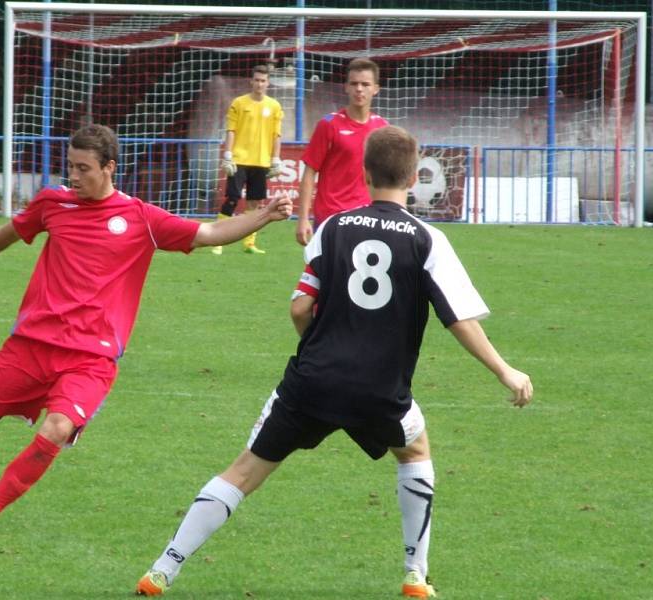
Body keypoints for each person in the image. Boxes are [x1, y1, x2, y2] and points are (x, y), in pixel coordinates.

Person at [135, 125, 533, 598]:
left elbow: (300, 308)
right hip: (379, 389)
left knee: (243, 472)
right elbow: (459, 320)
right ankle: (415, 575)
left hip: (312, 381)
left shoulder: (333, 228)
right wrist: (506, 371)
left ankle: (163, 568)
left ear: (364, 173)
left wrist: (319, 347)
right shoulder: (428, 239)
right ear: (412, 175)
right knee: (415, 452)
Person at [0, 124, 293, 538]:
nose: (73, 177)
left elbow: (208, 233)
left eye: (83, 168)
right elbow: (12, 231)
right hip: (31, 345)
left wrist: (265, 216)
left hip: (91, 358)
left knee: (57, 428)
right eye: (69, 166)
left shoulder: (140, 218)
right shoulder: (53, 204)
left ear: (109, 167)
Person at [295, 57, 388, 246]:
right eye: (354, 84)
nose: (359, 89)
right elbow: (309, 173)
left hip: (366, 217)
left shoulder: (382, 128)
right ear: (346, 87)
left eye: (365, 84)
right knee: (326, 274)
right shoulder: (329, 125)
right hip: (330, 216)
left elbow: (384, 178)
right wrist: (303, 218)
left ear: (375, 89)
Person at [213, 64, 284, 255]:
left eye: (263, 81)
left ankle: (249, 243)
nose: (259, 84)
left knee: (254, 203)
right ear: (251, 81)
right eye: (257, 80)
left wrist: (275, 158)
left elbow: (276, 135)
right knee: (232, 199)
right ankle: (217, 240)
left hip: (261, 161)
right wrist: (227, 154)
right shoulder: (239, 103)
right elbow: (231, 130)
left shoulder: (274, 106)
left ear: (268, 83)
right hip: (239, 159)